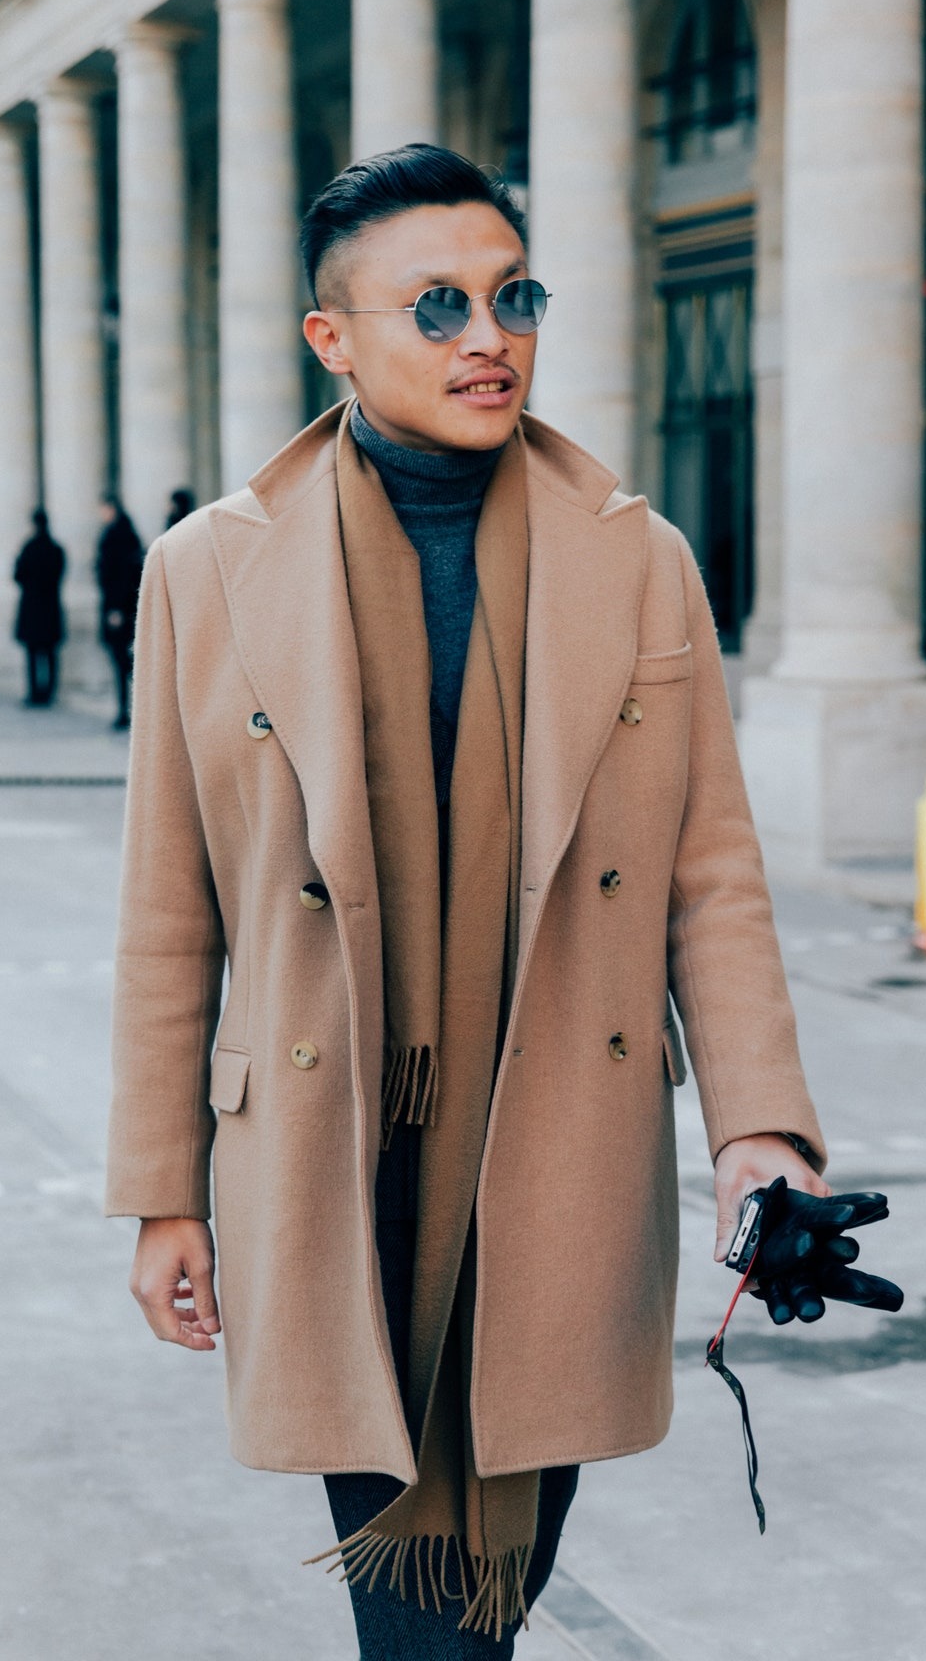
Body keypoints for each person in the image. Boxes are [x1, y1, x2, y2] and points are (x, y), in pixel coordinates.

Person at [106, 146, 831, 1657]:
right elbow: (172, 910)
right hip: (329, 1141)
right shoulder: (207, 570)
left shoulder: (637, 558)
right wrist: (164, 1189)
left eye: (514, 297)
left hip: (558, 1129)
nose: (488, 337)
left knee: (481, 1589)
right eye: (436, 306)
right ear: (332, 338)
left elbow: (710, 873)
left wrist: (760, 1128)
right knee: (425, 1618)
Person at [95, 496, 144, 731]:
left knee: (123, 661)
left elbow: (120, 576)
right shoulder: (123, 534)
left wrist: (116, 608)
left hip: (119, 609)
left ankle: (127, 709)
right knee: (124, 661)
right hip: (122, 607)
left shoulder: (118, 536)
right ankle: (128, 708)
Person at [12, 508, 66, 708]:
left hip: (32, 608)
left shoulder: (29, 548)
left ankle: (35, 692)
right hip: (49, 607)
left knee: (33, 654)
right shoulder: (55, 549)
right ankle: (49, 691)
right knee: (50, 653)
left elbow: (18, 575)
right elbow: (59, 574)